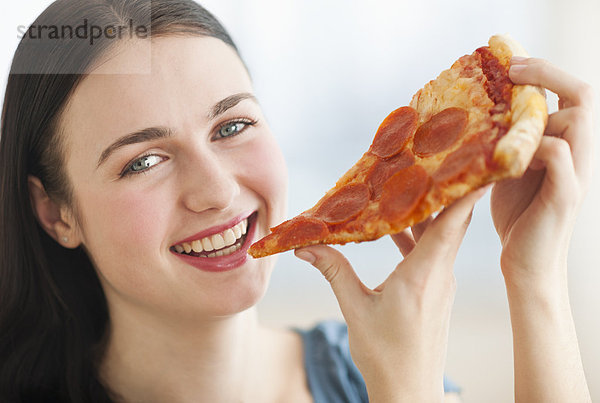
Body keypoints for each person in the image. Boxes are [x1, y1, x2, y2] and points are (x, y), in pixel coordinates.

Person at [0, 0, 593, 402]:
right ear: (56, 213)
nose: (218, 191)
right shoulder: (395, 373)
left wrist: (533, 275)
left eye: (232, 127)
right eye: (143, 162)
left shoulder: (368, 369)